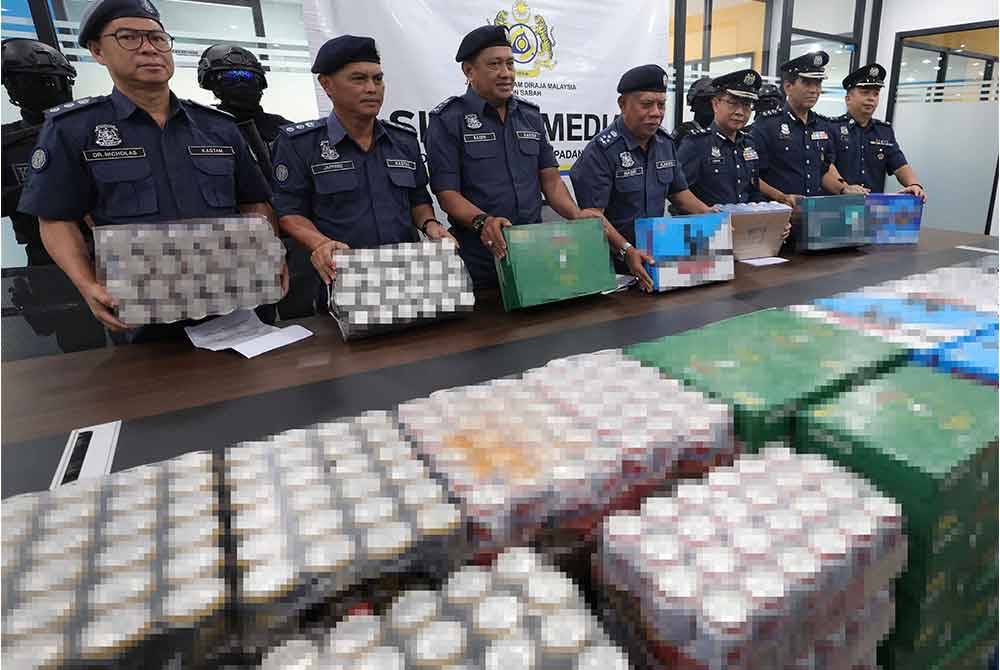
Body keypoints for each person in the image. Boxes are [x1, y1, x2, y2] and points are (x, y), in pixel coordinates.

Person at [17, 0, 276, 333]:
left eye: (157, 38)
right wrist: (86, 283)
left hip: (233, 297)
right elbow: (55, 218)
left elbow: (254, 202)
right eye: (128, 38)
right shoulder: (73, 129)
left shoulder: (218, 127)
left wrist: (270, 255)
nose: (149, 49)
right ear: (97, 51)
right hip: (142, 307)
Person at [270, 34, 455, 301]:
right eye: (358, 79)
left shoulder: (403, 140)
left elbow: (417, 198)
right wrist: (321, 243)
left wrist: (430, 224)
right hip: (343, 281)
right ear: (327, 84)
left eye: (377, 79)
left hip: (408, 278)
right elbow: (289, 212)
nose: (372, 88)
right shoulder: (300, 144)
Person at [424, 25, 608, 289]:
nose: (506, 73)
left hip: (534, 254)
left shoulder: (530, 116)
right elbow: (447, 194)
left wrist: (575, 215)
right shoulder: (448, 120)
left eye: (510, 64)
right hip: (480, 260)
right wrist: (484, 221)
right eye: (494, 64)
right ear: (469, 71)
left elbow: (551, 181)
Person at [570, 64, 716, 291]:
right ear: (622, 104)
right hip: (613, 268)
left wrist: (713, 218)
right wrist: (626, 249)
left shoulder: (665, 143)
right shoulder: (601, 151)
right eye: (646, 104)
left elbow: (680, 194)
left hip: (656, 261)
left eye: (661, 104)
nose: (656, 113)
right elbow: (592, 216)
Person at [1, 38, 90, 265]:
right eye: (19, 81)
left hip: (112, 245)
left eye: (56, 81)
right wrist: (42, 188)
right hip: (45, 257)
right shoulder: (7, 140)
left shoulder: (97, 126)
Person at [677, 69, 791, 242]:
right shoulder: (696, 144)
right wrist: (706, 217)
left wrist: (773, 221)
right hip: (707, 238)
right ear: (716, 104)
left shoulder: (749, 144)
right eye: (732, 103)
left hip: (746, 238)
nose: (740, 112)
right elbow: (678, 196)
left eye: (746, 105)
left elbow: (753, 192)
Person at [750, 51, 865, 207]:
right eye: (807, 83)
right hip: (778, 213)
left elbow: (823, 170)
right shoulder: (767, 125)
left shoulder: (821, 125)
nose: (814, 90)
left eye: (818, 83)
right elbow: (751, 174)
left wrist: (844, 189)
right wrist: (780, 197)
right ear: (788, 87)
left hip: (812, 212)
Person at [828, 63, 926, 200]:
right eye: (865, 93)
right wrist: (844, 187)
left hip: (872, 207)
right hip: (837, 205)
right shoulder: (831, 128)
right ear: (848, 98)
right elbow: (825, 166)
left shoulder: (884, 131)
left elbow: (899, 164)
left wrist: (914, 184)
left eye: (876, 94)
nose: (871, 98)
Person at [197, 43, 292, 144]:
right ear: (215, 85)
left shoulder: (283, 129)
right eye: (232, 76)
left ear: (259, 82)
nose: (241, 81)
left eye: (248, 76)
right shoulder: (201, 129)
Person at [671, 76, 716, 144]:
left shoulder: (721, 132)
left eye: (713, 101)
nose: (710, 104)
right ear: (694, 103)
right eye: (705, 99)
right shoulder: (683, 132)